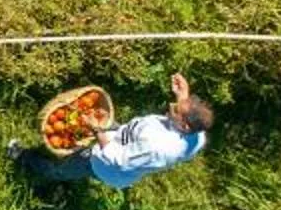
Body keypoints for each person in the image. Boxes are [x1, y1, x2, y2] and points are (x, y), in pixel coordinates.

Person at [16, 72, 213, 190]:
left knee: (62, 170)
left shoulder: (156, 147)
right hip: (123, 136)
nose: (172, 105)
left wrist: (97, 129)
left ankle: (24, 158)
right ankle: (85, 138)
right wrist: (183, 96)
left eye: (176, 110)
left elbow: (116, 159)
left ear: (184, 126)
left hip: (105, 165)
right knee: (94, 123)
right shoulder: (197, 136)